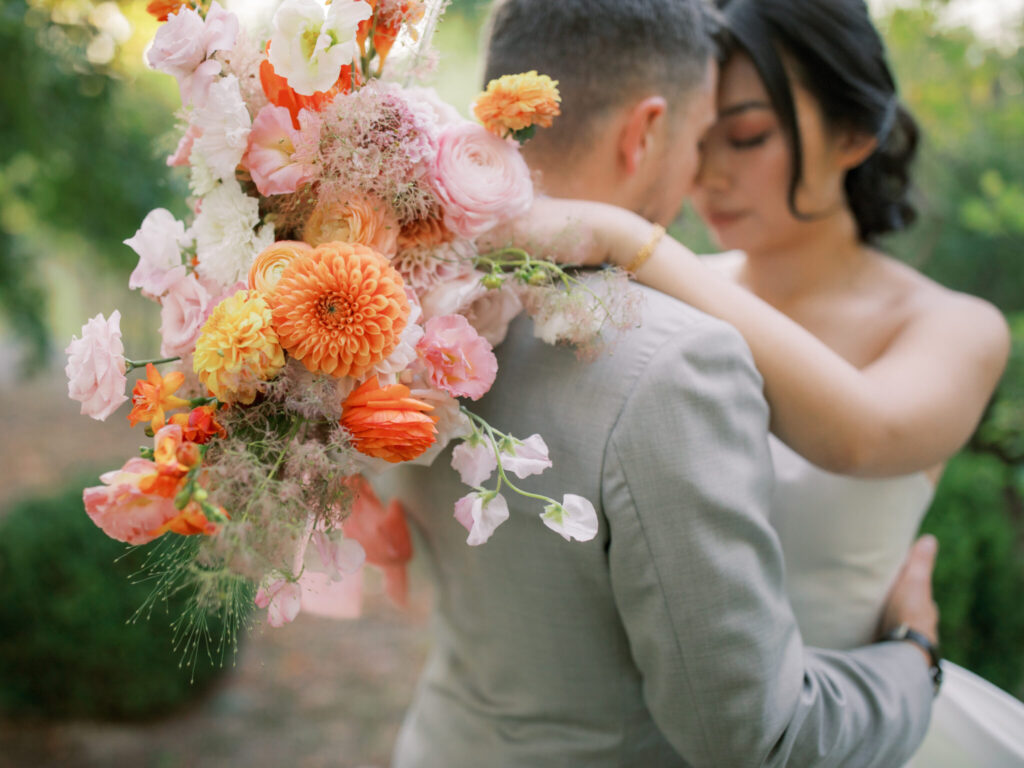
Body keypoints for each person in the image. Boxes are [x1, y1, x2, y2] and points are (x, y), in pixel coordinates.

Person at [383, 1, 938, 766]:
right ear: (644, 132)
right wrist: (914, 657)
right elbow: (755, 738)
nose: (706, 175)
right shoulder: (680, 360)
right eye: (704, 134)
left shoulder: (402, 305)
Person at [521, 0, 1023, 764]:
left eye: (749, 135)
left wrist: (629, 239)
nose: (710, 173)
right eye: (701, 135)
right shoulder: (674, 288)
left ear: (855, 134)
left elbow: (864, 434)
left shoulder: (954, 326)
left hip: (848, 731)